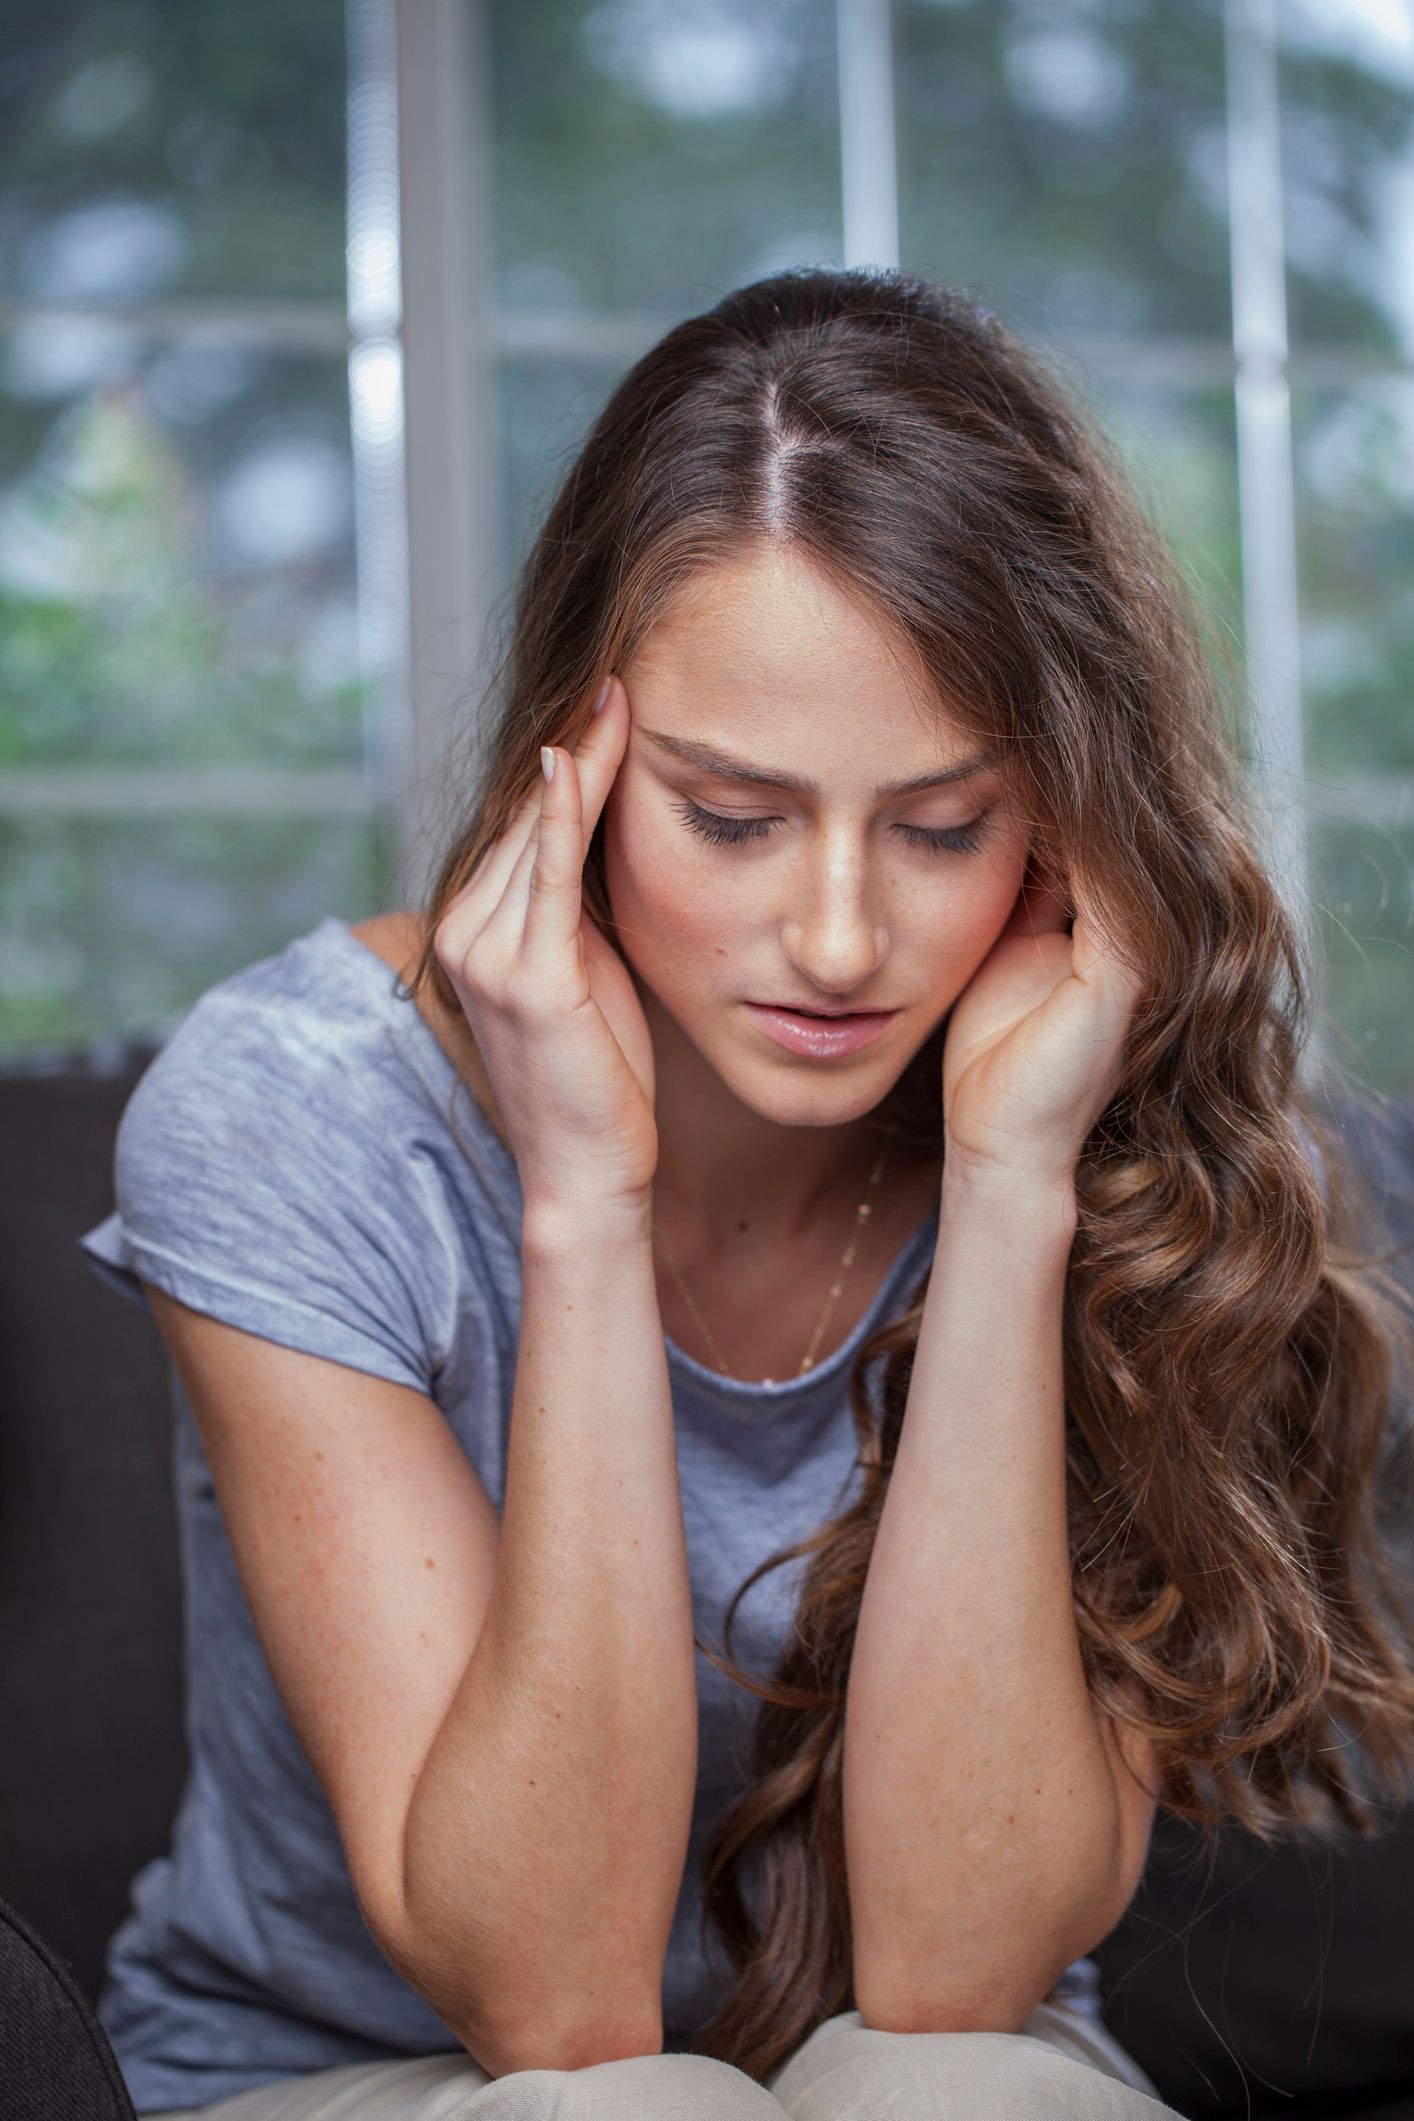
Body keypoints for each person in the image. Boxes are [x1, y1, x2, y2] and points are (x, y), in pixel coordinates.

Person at [78, 267, 1414, 2120]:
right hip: (353, 2074)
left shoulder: (1098, 1110)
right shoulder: (293, 1109)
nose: (846, 937)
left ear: (1061, 816)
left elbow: (951, 1979)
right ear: (578, 763)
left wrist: (1016, 1182)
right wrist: (581, 1201)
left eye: (944, 825)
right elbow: (554, 2007)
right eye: (731, 815)